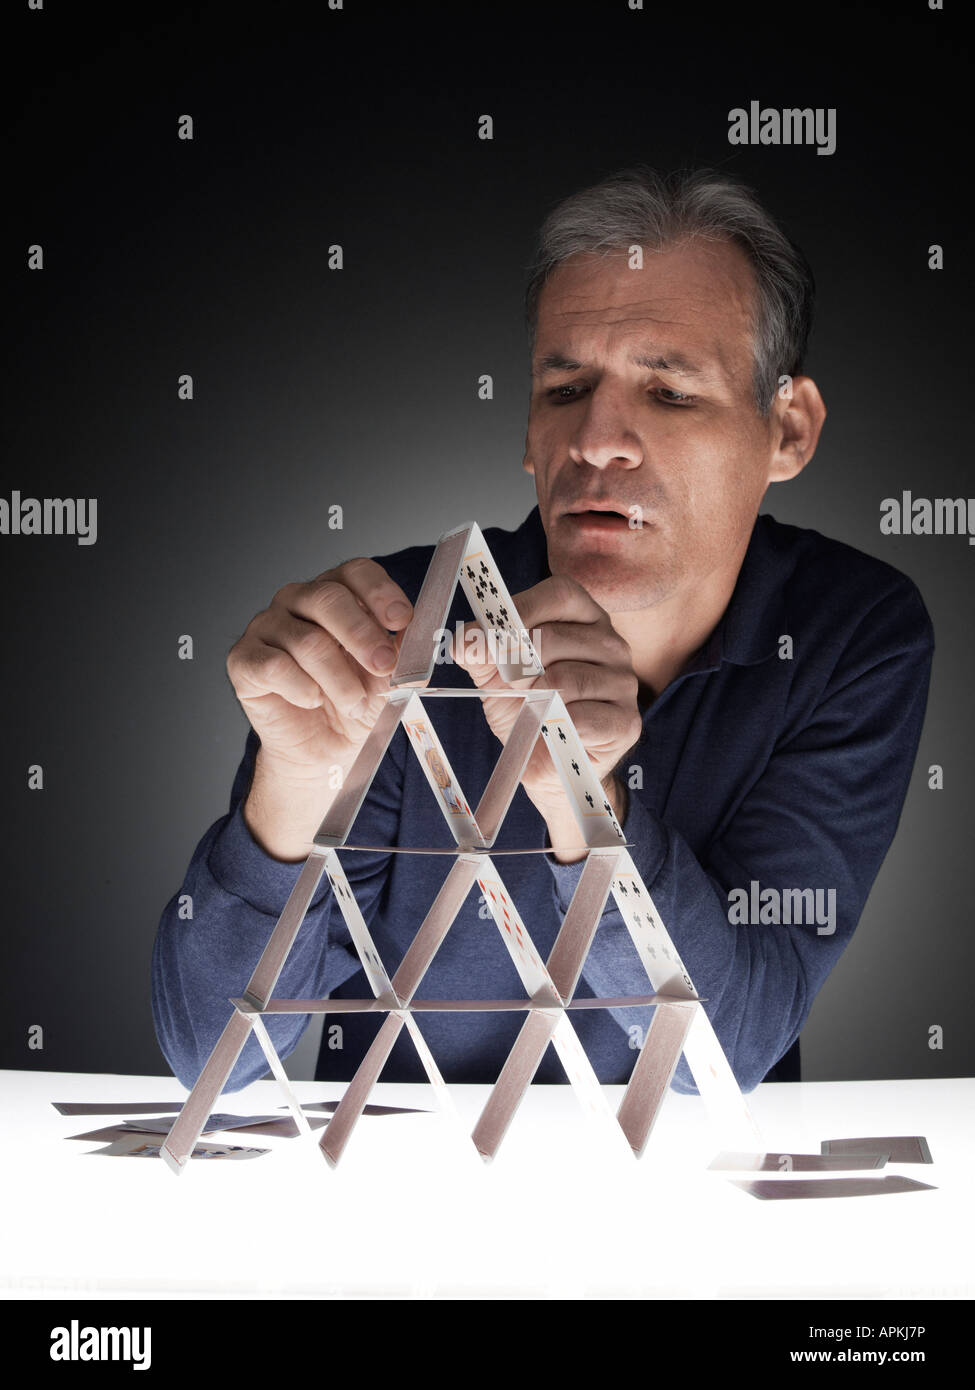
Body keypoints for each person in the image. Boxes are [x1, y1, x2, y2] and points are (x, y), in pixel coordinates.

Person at [151, 166, 934, 1096]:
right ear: (528, 430)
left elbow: (722, 1054)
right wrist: (290, 793)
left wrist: (582, 803)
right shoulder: (392, 631)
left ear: (788, 430)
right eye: (564, 390)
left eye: (669, 393)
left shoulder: (850, 634)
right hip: (402, 1202)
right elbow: (214, 1061)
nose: (597, 439)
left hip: (699, 1212)